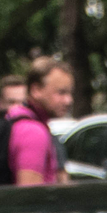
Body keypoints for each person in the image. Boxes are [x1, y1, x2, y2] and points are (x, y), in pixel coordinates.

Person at [11, 57, 71, 185]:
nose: (68, 100)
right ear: (36, 90)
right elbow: (31, 198)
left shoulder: (16, 119)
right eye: (61, 92)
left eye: (70, 93)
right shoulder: (33, 132)